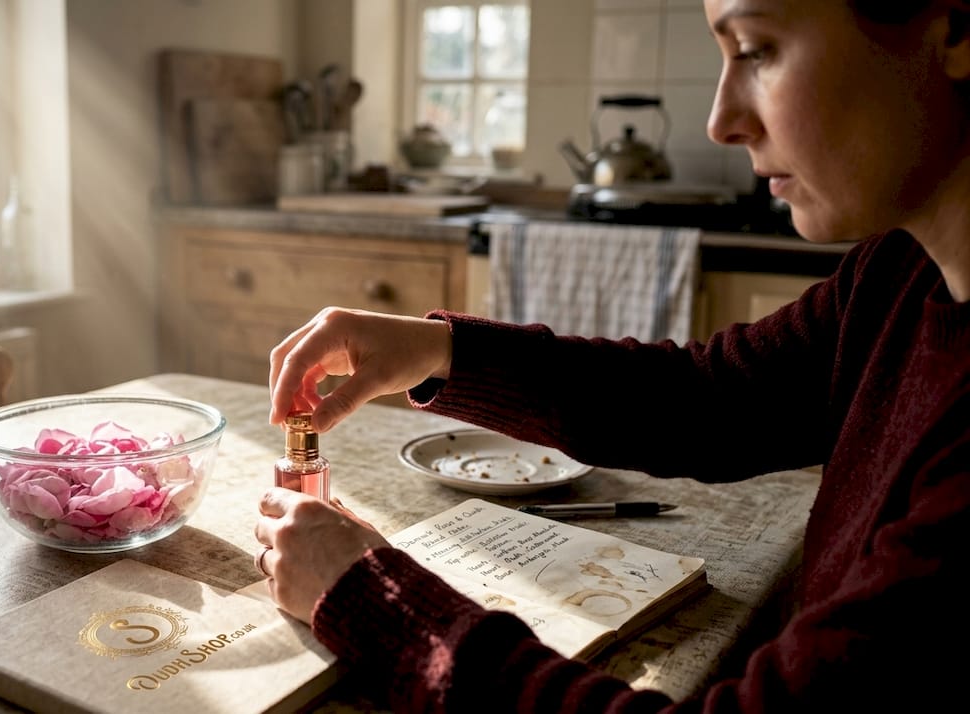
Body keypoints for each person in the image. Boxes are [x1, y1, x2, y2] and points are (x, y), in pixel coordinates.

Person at [251, 0, 970, 711]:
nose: (721, 122)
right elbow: (708, 397)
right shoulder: (896, 276)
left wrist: (371, 599)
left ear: (954, 30)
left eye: (754, 49)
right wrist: (441, 350)